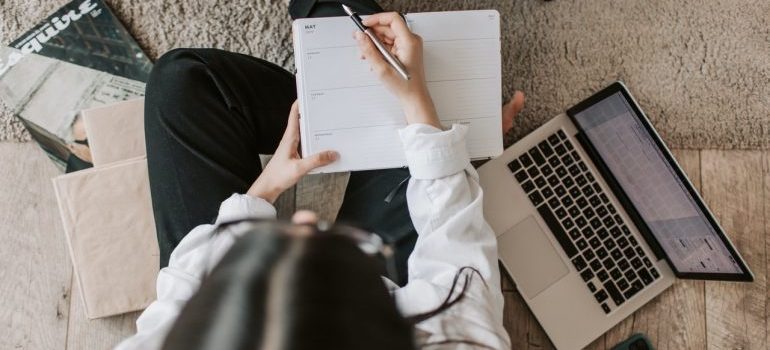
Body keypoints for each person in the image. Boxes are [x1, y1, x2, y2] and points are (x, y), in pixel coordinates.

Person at [116, 0, 525, 349]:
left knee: (182, 81)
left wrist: (267, 187)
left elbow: (187, 282)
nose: (307, 218)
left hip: (214, 290)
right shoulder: (457, 338)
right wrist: (420, 105)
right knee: (417, 123)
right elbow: (455, 246)